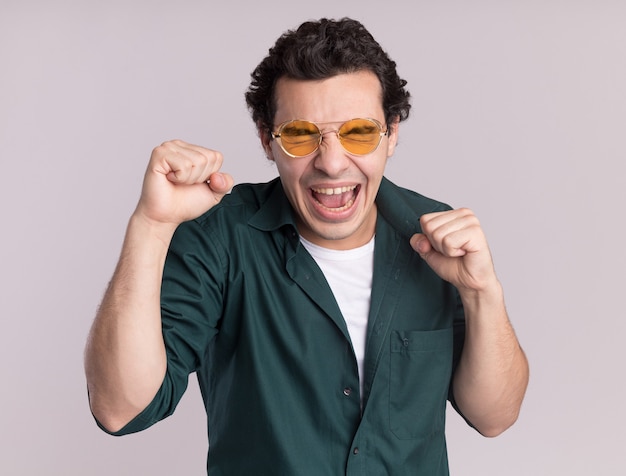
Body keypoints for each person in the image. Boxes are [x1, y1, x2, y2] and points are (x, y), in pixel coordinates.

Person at [84, 17, 529, 475]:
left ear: (391, 134)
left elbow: (494, 417)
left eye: (359, 132)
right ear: (266, 140)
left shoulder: (434, 234)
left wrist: (482, 294)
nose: (332, 164)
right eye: (300, 135)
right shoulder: (220, 237)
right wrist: (152, 225)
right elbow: (121, 409)